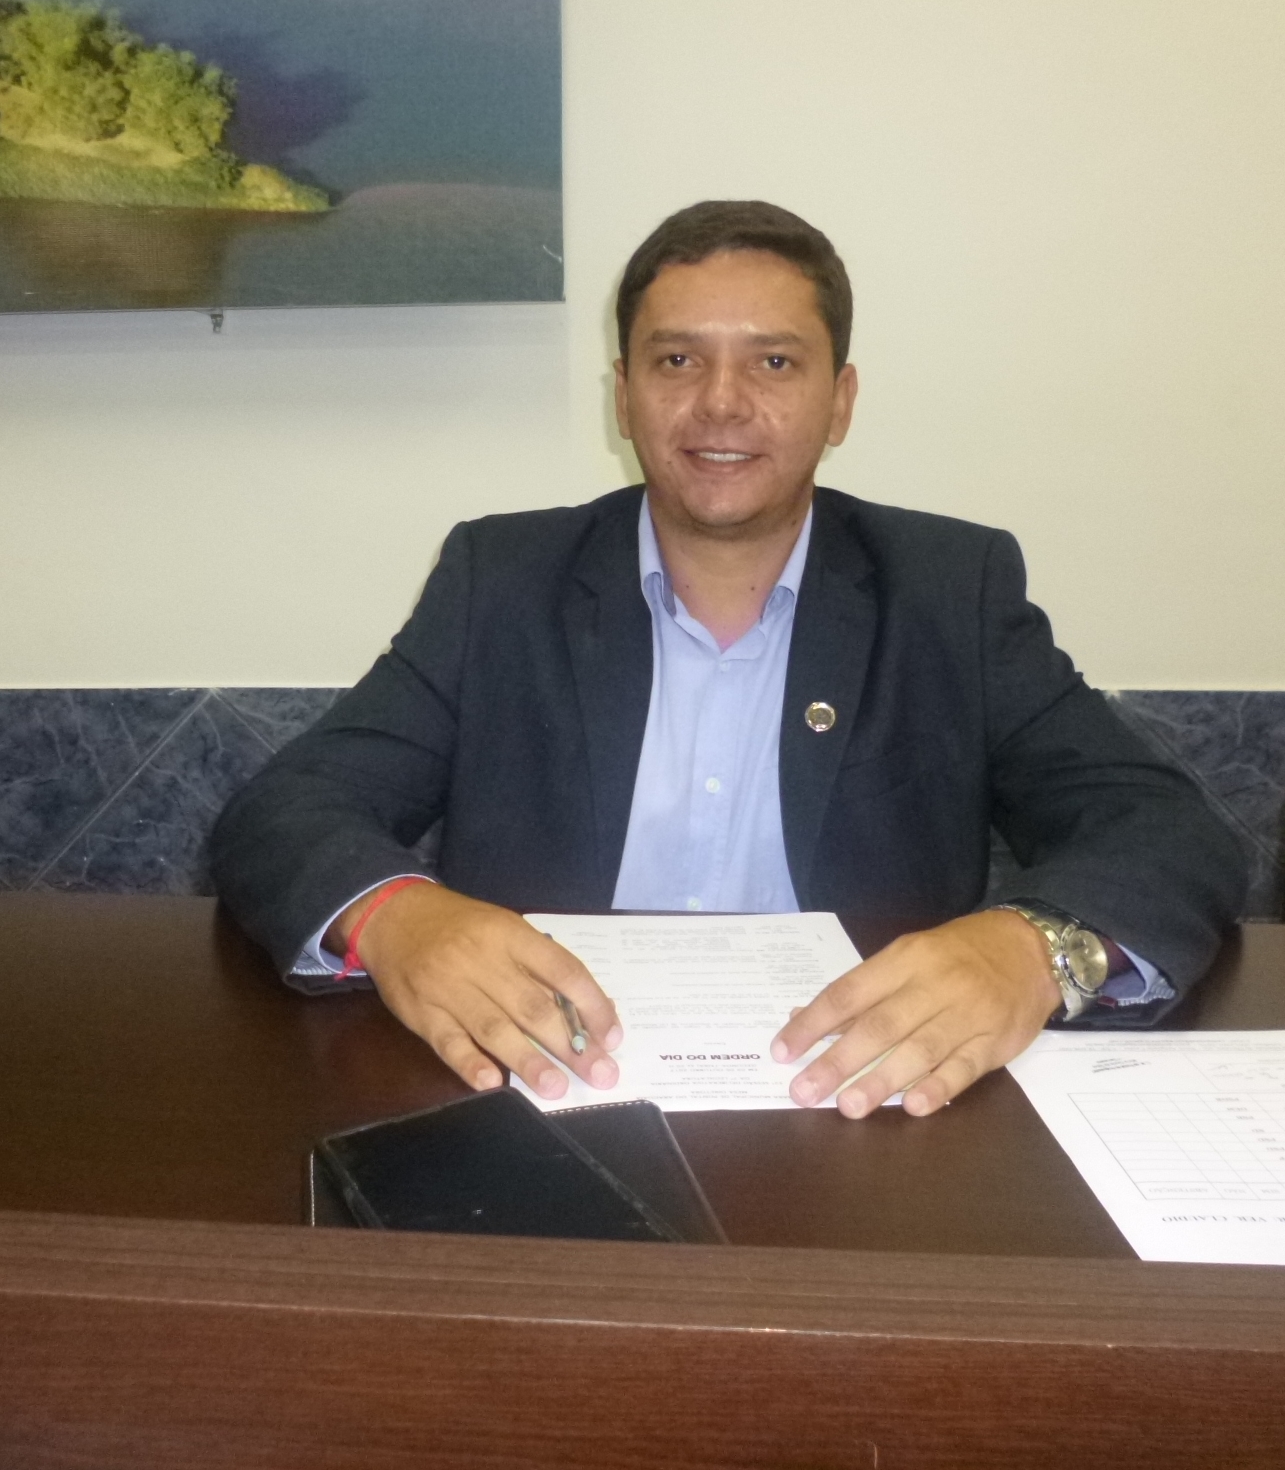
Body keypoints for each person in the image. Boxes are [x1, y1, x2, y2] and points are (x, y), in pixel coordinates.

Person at [211, 200, 1245, 1120]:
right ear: (623, 396)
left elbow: (1167, 832)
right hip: (549, 1094)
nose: (720, 401)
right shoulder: (504, 580)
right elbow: (285, 811)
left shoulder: (947, 590)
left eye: (774, 362)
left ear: (840, 401)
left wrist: (1032, 950)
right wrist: (395, 919)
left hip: (867, 1103)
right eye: (676, 360)